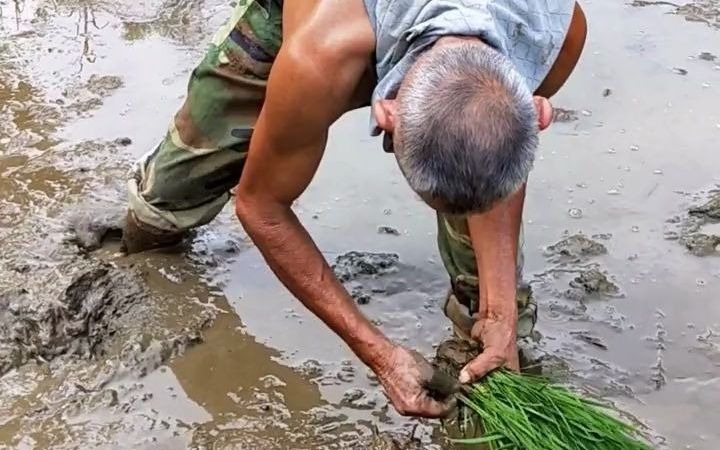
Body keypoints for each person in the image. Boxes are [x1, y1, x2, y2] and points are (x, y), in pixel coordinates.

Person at [121, 0, 587, 418]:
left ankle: (487, 358)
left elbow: (497, 149)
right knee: (168, 199)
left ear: (537, 110)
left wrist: (501, 309)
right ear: (385, 113)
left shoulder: (557, 33)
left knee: (486, 253)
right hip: (330, 18)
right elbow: (260, 205)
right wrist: (379, 355)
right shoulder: (318, 56)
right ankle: (142, 245)